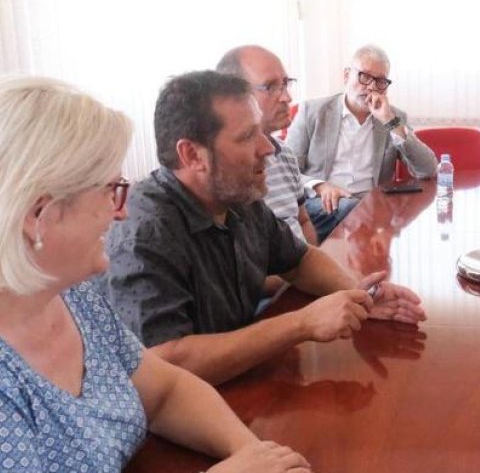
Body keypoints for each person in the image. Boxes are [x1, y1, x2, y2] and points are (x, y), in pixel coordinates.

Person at [0, 76, 309, 472]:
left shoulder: (64, 289)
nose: (121, 210)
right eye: (110, 190)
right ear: (37, 216)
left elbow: (166, 391)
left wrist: (257, 455)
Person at [103, 71, 426, 386]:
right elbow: (167, 363)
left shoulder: (237, 196)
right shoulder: (144, 232)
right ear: (192, 154)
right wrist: (301, 323)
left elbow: (298, 260)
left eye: (262, 132)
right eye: (247, 136)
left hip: (240, 387)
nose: (268, 148)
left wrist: (357, 294)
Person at [285, 44, 437, 243]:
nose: (372, 87)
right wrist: (320, 186)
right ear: (347, 75)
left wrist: (391, 122)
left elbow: (427, 169)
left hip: (373, 207)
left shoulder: (392, 117)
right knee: (353, 210)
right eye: (364, 77)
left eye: (381, 81)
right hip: (322, 204)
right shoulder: (311, 112)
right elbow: (286, 171)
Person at [216, 45, 318, 245]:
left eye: (286, 84)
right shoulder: (226, 172)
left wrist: (316, 268)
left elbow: (303, 220)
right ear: (233, 96)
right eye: (270, 87)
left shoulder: (285, 154)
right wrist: (298, 273)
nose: (287, 97)